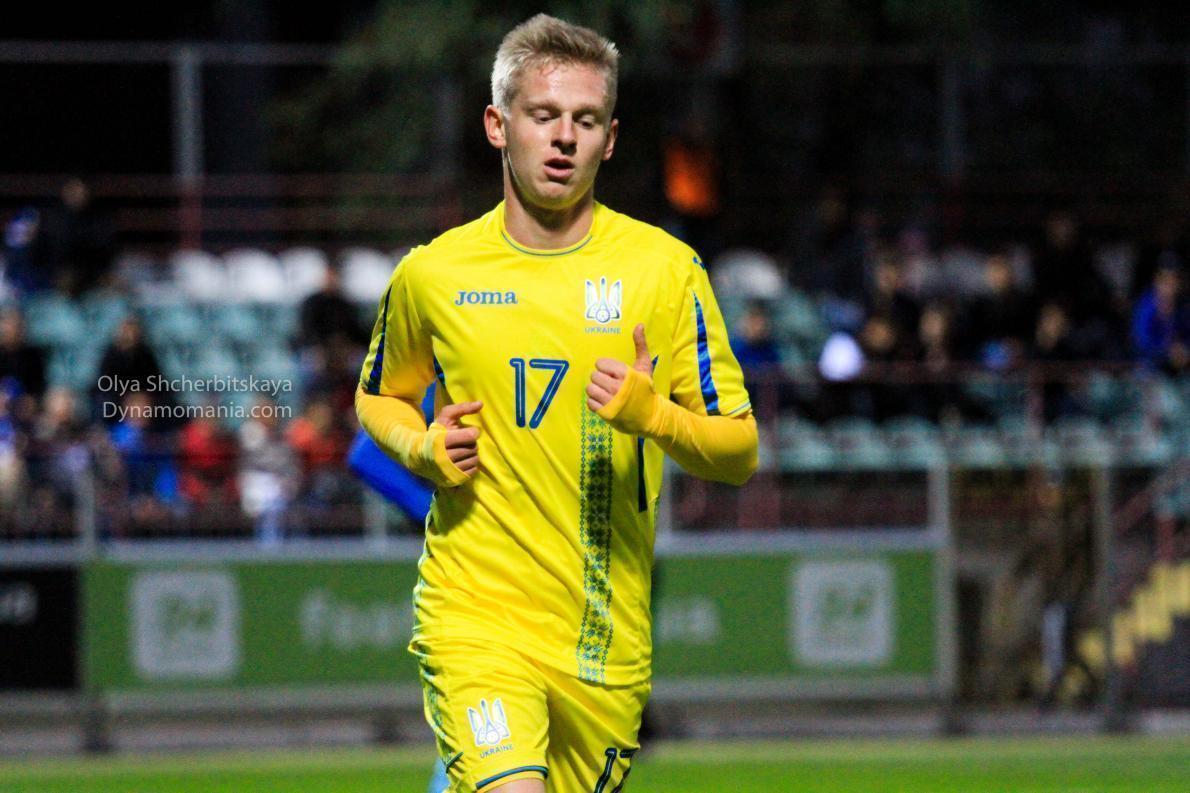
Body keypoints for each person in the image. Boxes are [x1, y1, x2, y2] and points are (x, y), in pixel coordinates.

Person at [354, 14, 757, 793]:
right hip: (474, 614)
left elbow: (739, 452)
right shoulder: (433, 274)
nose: (564, 136)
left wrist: (654, 416)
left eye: (586, 119)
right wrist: (421, 447)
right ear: (498, 125)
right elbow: (380, 398)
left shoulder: (666, 272)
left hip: (603, 644)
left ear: (610, 139)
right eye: (544, 115)